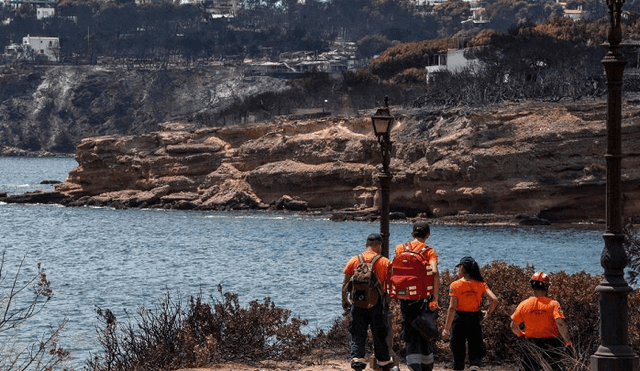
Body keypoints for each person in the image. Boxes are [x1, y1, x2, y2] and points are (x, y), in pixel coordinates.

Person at [342, 233, 394, 371]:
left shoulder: (354, 260)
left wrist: (345, 302)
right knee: (380, 336)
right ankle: (384, 364)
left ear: (367, 245)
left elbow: (345, 285)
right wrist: (387, 303)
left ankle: (358, 364)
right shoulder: (384, 262)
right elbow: (390, 286)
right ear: (378, 246)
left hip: (357, 304)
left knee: (358, 336)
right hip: (377, 305)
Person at [394, 221, 439, 371]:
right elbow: (433, 272)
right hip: (422, 299)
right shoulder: (429, 251)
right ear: (428, 235)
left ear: (413, 233)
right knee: (425, 330)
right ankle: (426, 366)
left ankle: (414, 366)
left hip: (404, 297)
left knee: (410, 332)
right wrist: (435, 298)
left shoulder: (400, 248)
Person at [442, 256, 499, 371]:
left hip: (459, 320)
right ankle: (474, 367)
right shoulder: (481, 284)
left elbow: (452, 308)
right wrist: (488, 312)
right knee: (475, 353)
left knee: (458, 354)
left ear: (462, 268)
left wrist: (446, 330)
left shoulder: (455, 285)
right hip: (474, 319)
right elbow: (494, 300)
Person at [510, 271, 573, 371]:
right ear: (546, 287)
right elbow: (560, 323)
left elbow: (513, 326)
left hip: (531, 345)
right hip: (551, 345)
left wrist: (521, 335)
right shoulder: (553, 304)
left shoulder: (523, 304)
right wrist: (568, 343)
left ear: (532, 286)